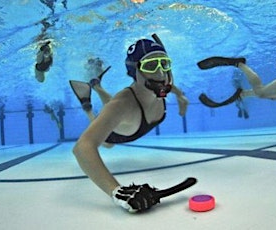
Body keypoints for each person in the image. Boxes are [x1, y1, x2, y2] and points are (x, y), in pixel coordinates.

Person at [70, 37, 189, 213]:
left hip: (127, 118)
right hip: (117, 133)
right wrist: (117, 191)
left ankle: (96, 85)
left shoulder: (161, 85)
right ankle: (87, 106)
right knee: (108, 143)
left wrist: (181, 96)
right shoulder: (121, 104)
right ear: (134, 71)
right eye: (150, 65)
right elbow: (82, 148)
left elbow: (170, 85)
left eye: (164, 64)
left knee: (112, 108)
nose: (161, 74)